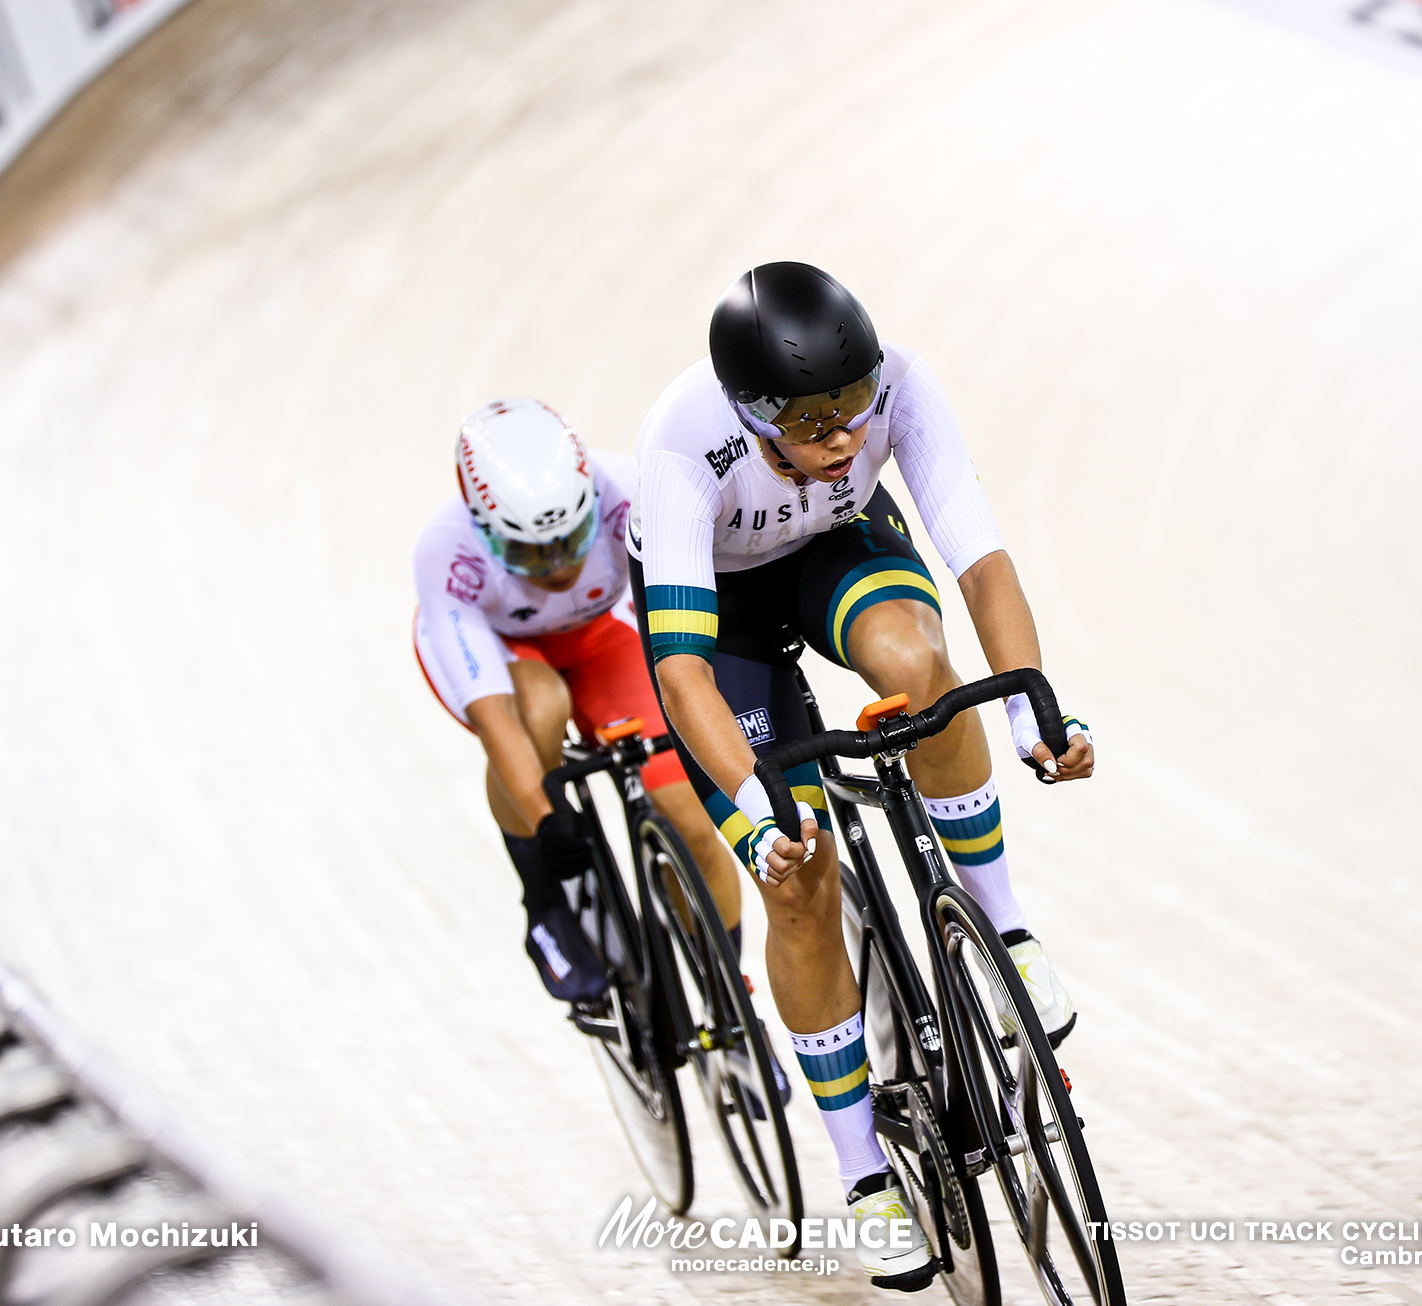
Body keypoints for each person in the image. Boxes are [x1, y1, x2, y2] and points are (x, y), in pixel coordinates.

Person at [628, 263, 1094, 1291]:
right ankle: (864, 1174)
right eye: (814, 420)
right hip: (722, 621)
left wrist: (1029, 707)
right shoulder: (678, 444)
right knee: (798, 879)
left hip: (835, 546)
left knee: (922, 668)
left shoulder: (901, 387)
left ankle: (1003, 924)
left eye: (856, 405)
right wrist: (756, 817)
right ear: (752, 416)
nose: (847, 435)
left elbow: (977, 558)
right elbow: (682, 669)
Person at [411, 397, 754, 1022]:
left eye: (570, 541)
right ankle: (542, 900)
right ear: (485, 532)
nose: (560, 566)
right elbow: (496, 720)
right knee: (538, 705)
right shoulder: (447, 554)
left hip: (600, 637)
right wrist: (545, 820)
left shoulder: (626, 487)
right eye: (532, 554)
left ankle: (729, 997)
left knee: (692, 819)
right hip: (499, 648)